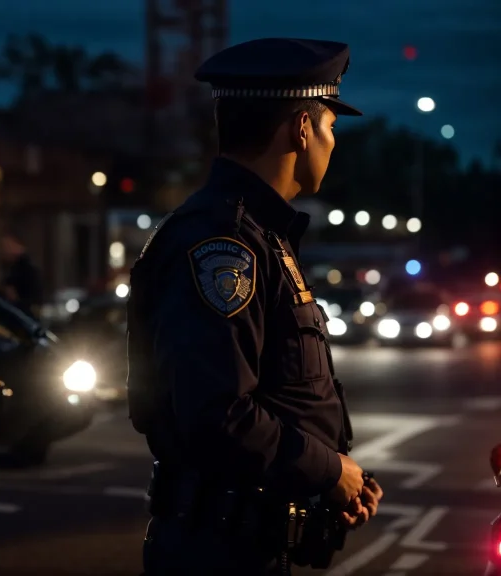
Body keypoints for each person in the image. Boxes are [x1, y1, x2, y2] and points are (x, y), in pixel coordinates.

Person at [127, 38, 384, 575]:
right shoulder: (224, 245)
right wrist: (328, 469)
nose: (333, 143)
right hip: (222, 554)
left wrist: (334, 477)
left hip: (251, 542)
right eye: (331, 126)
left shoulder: (258, 235)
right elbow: (219, 414)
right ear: (301, 128)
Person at [0, 233, 44, 318]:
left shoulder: (26, 269)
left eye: (9, 245)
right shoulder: (9, 267)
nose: (5, 250)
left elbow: (32, 299)